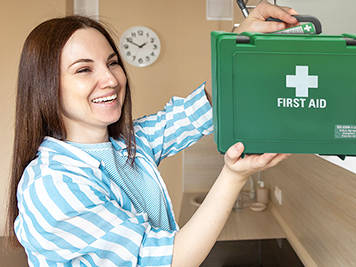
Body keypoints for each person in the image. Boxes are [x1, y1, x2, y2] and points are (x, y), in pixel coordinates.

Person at [8, 3, 299, 266]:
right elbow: (168, 261)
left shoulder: (129, 145)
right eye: (84, 69)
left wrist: (238, 47)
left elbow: (199, 109)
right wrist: (234, 176)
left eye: (112, 63)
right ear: (45, 87)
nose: (110, 79)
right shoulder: (52, 185)